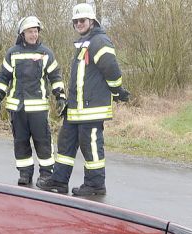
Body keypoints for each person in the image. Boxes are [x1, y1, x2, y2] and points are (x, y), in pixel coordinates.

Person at [39, 3, 129, 197]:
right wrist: (67, 102)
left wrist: (118, 90)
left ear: (92, 21)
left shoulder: (99, 41)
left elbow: (112, 70)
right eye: (76, 21)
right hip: (76, 108)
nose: (79, 24)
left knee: (91, 147)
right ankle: (59, 181)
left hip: (91, 109)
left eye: (82, 20)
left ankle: (96, 185)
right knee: (65, 143)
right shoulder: (84, 43)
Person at [0, 16, 65, 188]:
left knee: (43, 141)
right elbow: (4, 77)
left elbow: (55, 77)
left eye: (35, 31)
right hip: (17, 108)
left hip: (38, 108)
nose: (33, 35)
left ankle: (47, 174)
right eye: (30, 32)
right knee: (21, 141)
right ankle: (25, 173)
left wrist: (60, 96)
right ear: (22, 33)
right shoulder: (13, 53)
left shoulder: (46, 53)